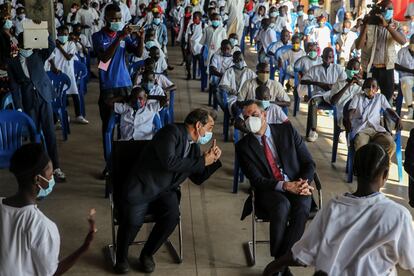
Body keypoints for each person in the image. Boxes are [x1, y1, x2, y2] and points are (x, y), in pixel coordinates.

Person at [263, 143, 414, 276]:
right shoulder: (398, 215)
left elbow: (303, 254)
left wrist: (273, 266)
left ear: (354, 170)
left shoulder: (333, 207)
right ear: (386, 175)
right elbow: (410, 261)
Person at [114, 108, 222, 273]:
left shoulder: (193, 147)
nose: (210, 132)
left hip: (165, 190)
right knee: (132, 223)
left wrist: (212, 160)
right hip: (144, 187)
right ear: (198, 125)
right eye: (209, 127)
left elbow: (197, 177)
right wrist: (201, 161)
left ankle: (147, 254)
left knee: (171, 218)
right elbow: (169, 162)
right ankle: (121, 257)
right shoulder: (170, 132)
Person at [236, 101, 315, 276]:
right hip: (268, 190)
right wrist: (285, 186)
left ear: (264, 115)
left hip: (297, 183)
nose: (250, 120)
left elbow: (308, 162)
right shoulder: (243, 146)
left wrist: (303, 182)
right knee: (282, 206)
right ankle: (281, 266)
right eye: (246, 117)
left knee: (303, 206)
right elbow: (256, 180)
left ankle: (277, 265)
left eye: (254, 115)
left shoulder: (287, 131)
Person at [0, 143, 96, 276]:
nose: (52, 179)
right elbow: (52, 272)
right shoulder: (42, 226)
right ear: (37, 179)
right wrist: (83, 248)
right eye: (50, 175)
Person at [8, 32, 66, 182]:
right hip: (29, 102)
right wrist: (19, 107)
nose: (28, 47)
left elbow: (52, 45)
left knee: (50, 132)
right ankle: (39, 168)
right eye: (24, 44)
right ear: (19, 45)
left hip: (44, 97)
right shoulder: (13, 63)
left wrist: (41, 32)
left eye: (30, 44)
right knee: (35, 135)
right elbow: (14, 87)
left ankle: (56, 167)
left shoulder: (38, 55)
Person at [92, 3, 144, 161]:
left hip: (125, 85)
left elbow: (138, 52)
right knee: (108, 127)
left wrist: (140, 38)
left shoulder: (124, 36)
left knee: (126, 124)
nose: (117, 21)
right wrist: (119, 37)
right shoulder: (98, 37)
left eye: (119, 18)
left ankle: (122, 160)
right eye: (113, 18)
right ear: (105, 18)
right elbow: (104, 58)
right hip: (108, 88)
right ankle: (109, 163)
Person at [354, 0, 407, 101]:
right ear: (379, 10)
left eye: (390, 9)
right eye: (385, 9)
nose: (388, 11)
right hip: (370, 68)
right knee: (367, 98)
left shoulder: (396, 25)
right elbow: (358, 46)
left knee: (387, 100)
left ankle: (386, 117)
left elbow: (403, 41)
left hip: (387, 68)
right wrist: (365, 26)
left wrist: (387, 26)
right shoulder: (369, 24)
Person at [346, 78, 402, 159]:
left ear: (377, 89)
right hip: (362, 130)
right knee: (360, 145)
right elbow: (351, 110)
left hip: (376, 130)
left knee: (391, 144)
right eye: (368, 86)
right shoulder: (357, 97)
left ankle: (383, 165)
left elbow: (388, 110)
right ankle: (363, 169)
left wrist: (398, 118)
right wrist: (349, 119)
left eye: (373, 86)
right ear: (363, 88)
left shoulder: (380, 97)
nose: (370, 89)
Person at [301, 47, 346, 142]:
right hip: (320, 95)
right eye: (325, 57)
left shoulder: (337, 68)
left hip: (334, 94)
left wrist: (334, 85)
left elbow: (345, 81)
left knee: (344, 103)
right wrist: (318, 83)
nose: (327, 59)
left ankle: (341, 131)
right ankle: (313, 130)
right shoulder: (315, 69)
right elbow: (303, 80)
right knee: (313, 102)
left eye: (330, 57)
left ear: (333, 57)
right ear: (322, 57)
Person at [48, 25, 89, 124]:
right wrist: (53, 67)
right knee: (59, 96)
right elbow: (51, 57)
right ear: (57, 34)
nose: (63, 36)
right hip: (58, 73)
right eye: (61, 34)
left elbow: (69, 57)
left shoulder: (71, 44)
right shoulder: (53, 44)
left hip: (69, 72)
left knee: (75, 93)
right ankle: (60, 117)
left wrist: (60, 47)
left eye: (65, 34)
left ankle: (79, 115)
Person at [327, 58, 363, 131]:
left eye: (355, 69)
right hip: (342, 116)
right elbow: (333, 102)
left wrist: (361, 86)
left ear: (359, 71)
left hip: (358, 115)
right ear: (346, 69)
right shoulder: (338, 84)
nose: (352, 71)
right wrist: (348, 85)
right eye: (350, 68)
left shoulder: (363, 85)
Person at [395, 35, 414, 119]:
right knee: (405, 84)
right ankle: (410, 109)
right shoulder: (403, 51)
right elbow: (395, 65)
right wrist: (410, 71)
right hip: (405, 77)